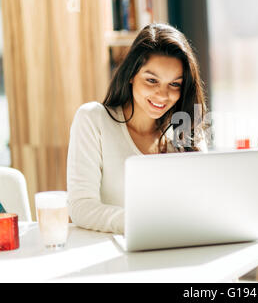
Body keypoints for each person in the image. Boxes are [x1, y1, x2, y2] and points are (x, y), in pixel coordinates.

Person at [67, 23, 208, 234]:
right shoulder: (93, 120)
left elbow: (202, 205)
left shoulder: (184, 132)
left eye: (175, 84)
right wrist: (141, 223)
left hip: (177, 249)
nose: (162, 95)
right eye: (152, 80)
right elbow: (81, 207)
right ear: (131, 74)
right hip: (115, 255)